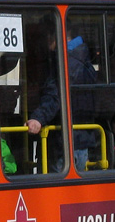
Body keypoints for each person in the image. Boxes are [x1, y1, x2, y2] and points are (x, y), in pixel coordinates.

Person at [26, 33, 98, 171]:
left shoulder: (64, 61)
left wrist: (38, 118)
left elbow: (55, 95)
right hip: (82, 140)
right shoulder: (84, 59)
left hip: (64, 144)